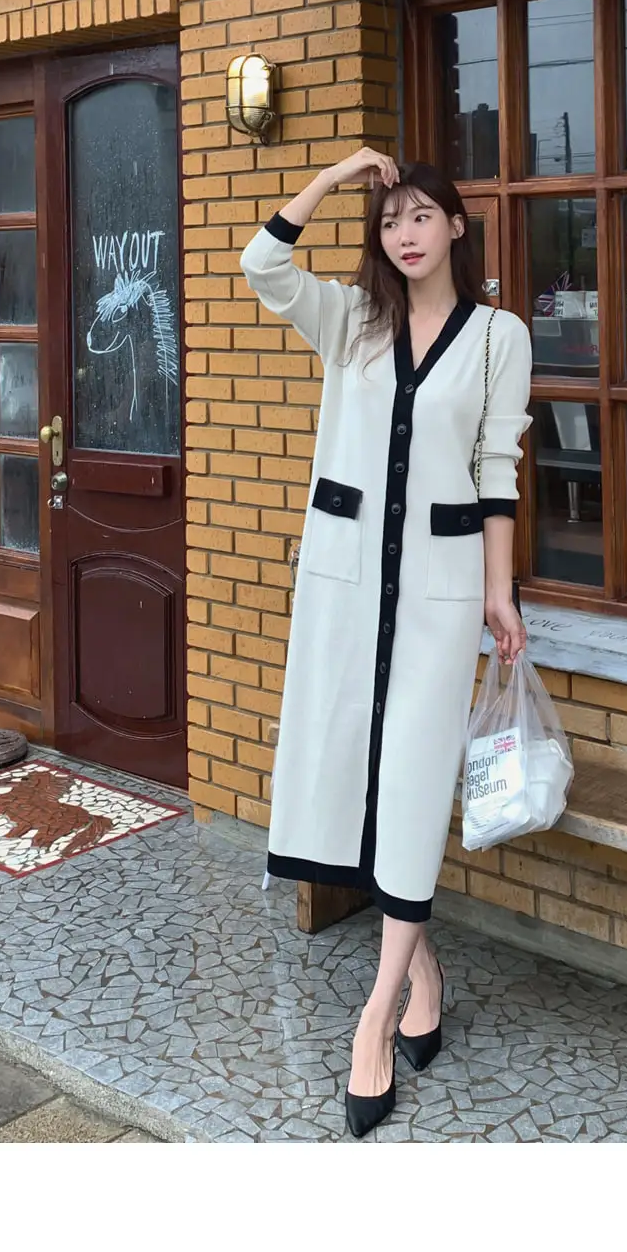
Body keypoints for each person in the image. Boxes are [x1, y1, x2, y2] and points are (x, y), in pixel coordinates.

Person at [240, 147, 533, 1137]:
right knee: (339, 773)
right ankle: (425, 976)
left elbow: (497, 470)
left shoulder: (497, 337)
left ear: (456, 225)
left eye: (421, 216)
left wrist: (499, 593)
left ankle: (375, 1017)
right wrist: (334, 177)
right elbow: (261, 264)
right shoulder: (352, 321)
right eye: (390, 218)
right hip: (345, 587)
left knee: (409, 784)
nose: (405, 233)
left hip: (442, 600)